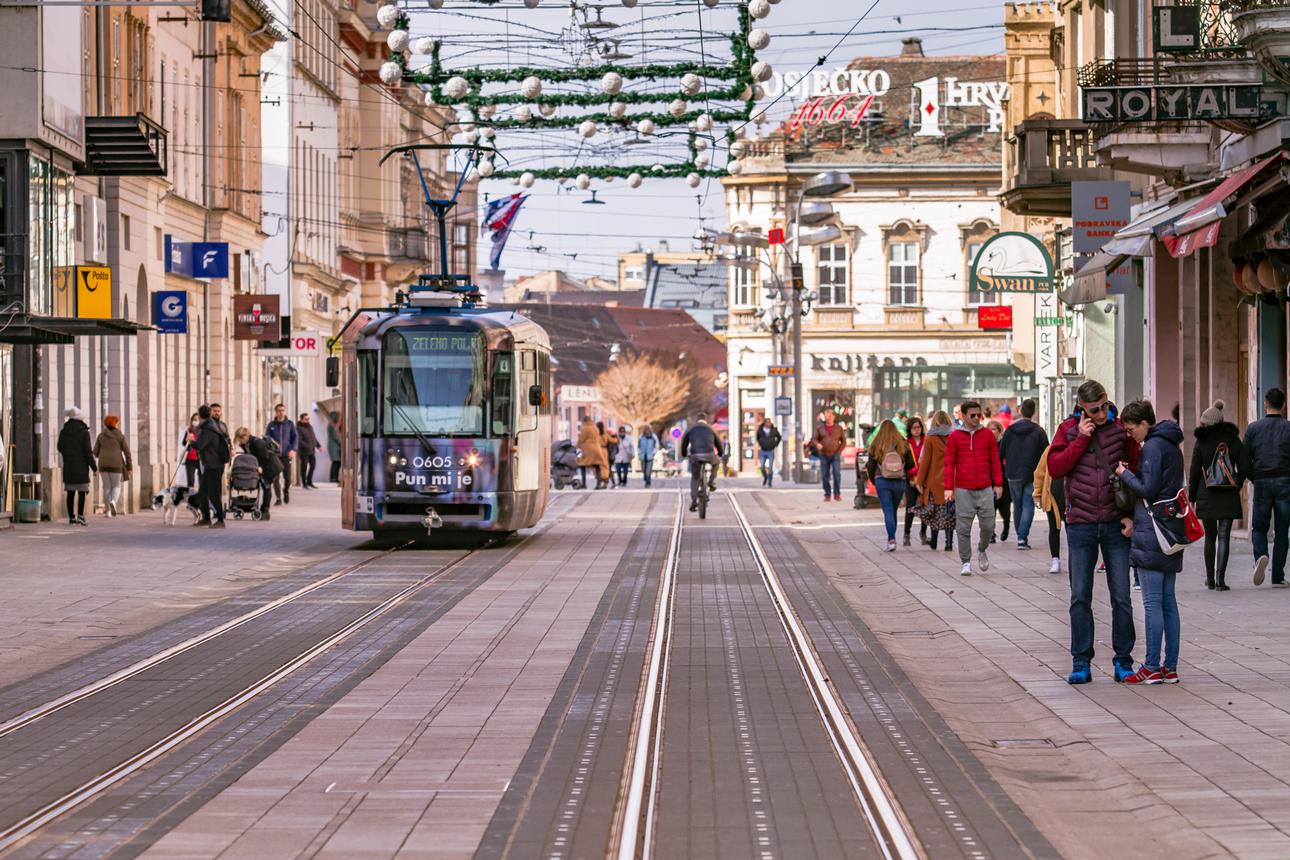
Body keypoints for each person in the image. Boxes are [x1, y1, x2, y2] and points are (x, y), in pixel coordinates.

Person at [1047, 379, 1139, 685]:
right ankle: (1081, 662)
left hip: (1115, 523)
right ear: (1081, 408)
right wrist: (1080, 440)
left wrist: (1130, 516)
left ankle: (1123, 661)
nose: (1100, 414)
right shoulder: (1067, 430)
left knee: (1122, 596)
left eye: (1103, 406)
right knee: (1079, 597)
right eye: (1093, 410)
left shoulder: (1121, 430)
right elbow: (1056, 468)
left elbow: (1135, 473)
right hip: (1081, 524)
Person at [1114, 400, 1185, 685]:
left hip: (1152, 530)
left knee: (1153, 602)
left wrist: (1124, 474)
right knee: (1168, 601)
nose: (1130, 435)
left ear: (1145, 424)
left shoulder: (1153, 446)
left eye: (1131, 429)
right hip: (1170, 528)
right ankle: (1169, 667)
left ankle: (1152, 667)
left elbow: (1148, 489)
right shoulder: (1171, 444)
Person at [1189, 400, 1245, 591]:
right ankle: (1221, 580)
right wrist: (1236, 485)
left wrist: (1193, 496)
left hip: (1207, 492)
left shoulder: (1201, 442)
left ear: (1206, 423)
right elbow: (1245, 467)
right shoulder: (1234, 441)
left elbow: (1195, 471)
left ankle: (1210, 579)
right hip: (1228, 493)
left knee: (1210, 536)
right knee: (1224, 536)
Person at [1240, 387, 1290, 587]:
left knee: (1259, 526)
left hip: (1261, 481)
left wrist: (1253, 476)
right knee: (1282, 530)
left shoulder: (1253, 428)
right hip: (1285, 481)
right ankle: (1277, 576)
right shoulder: (1288, 428)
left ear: (1265, 404)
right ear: (1284, 406)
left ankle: (1261, 555)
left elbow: (1244, 457)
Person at [944, 401, 1001, 575]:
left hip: (985, 487)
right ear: (964, 416)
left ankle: (981, 549)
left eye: (979, 415)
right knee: (963, 528)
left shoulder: (987, 435)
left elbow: (994, 461)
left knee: (989, 525)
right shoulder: (954, 437)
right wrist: (948, 488)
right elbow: (948, 463)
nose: (977, 418)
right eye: (973, 415)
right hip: (963, 488)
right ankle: (966, 562)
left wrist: (998, 484)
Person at [999, 398, 1049, 550]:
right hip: (1032, 472)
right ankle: (1022, 538)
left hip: (1013, 472)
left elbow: (1001, 453)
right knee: (1028, 505)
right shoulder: (1038, 431)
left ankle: (1020, 536)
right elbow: (1046, 453)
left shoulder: (1009, 430)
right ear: (1034, 412)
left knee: (1017, 505)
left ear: (1020, 411)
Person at [866, 420, 917, 552]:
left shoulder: (875, 444)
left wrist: (874, 480)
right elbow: (911, 464)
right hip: (899, 481)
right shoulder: (903, 444)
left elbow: (870, 466)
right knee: (893, 510)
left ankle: (891, 540)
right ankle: (892, 538)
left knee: (888, 510)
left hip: (882, 480)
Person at [917, 411, 954, 553]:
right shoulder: (954, 437)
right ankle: (949, 543)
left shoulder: (930, 438)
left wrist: (920, 481)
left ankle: (934, 541)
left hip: (935, 481)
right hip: (952, 481)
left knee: (934, 512)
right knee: (949, 512)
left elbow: (925, 462)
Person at [193, 404, 230, 528]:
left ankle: (220, 520)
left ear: (199, 416)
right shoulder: (210, 426)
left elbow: (199, 445)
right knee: (203, 493)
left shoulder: (209, 428)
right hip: (211, 464)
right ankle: (206, 518)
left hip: (214, 464)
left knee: (214, 493)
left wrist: (190, 441)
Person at [57, 407, 96, 526]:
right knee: (82, 491)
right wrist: (94, 467)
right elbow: (88, 452)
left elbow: (60, 447)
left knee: (70, 491)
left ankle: (71, 517)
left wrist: (67, 455)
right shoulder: (84, 432)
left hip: (69, 465)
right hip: (81, 465)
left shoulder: (64, 431)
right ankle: (80, 515)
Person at [680, 413, 723, 512]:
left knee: (695, 477)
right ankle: (711, 481)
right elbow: (719, 443)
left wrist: (684, 453)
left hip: (695, 456)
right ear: (706, 420)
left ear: (696, 420)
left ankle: (694, 500)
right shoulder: (711, 428)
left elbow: (684, 442)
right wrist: (720, 453)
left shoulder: (691, 428)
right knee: (716, 462)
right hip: (709, 455)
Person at [1033, 444, 1065, 575]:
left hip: (1071, 496)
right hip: (1051, 494)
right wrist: (1037, 495)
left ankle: (1075, 561)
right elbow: (1039, 473)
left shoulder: (1078, 448)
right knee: (1054, 528)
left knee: (1074, 529)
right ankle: (1055, 560)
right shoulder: (1050, 449)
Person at [93, 415, 133, 517]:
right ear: (116, 423)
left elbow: (95, 452)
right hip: (116, 464)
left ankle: (107, 512)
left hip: (103, 464)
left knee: (106, 487)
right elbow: (127, 453)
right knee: (116, 486)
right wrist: (129, 467)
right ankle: (114, 501)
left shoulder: (101, 436)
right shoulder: (120, 436)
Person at [238, 427, 281, 520]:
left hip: (270, 467)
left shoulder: (257, 443)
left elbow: (264, 457)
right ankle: (263, 509)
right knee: (266, 487)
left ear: (245, 437)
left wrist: (258, 468)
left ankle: (266, 511)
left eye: (240, 438)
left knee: (267, 487)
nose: (238, 441)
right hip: (265, 466)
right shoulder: (249, 443)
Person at [265, 404, 298, 505]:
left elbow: (295, 437)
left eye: (283, 410)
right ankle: (278, 498)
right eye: (279, 410)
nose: (281, 412)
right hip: (275, 456)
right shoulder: (271, 425)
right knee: (276, 478)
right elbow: (267, 438)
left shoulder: (289, 424)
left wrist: (293, 450)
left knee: (287, 478)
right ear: (276, 412)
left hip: (286, 455)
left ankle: (286, 491)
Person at [812, 409, 847, 502]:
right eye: (826, 416)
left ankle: (837, 493)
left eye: (829, 416)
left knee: (836, 473)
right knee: (825, 475)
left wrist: (839, 451)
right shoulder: (820, 428)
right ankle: (827, 494)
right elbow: (814, 439)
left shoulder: (838, 428)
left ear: (834, 417)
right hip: (823, 454)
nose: (827, 418)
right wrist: (817, 444)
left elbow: (844, 441)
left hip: (835, 454)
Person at [902, 416, 927, 546]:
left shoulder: (927, 441)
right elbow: (904, 462)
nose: (917, 430)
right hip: (911, 480)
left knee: (925, 506)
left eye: (918, 427)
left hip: (925, 480)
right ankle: (907, 533)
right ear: (909, 429)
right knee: (910, 507)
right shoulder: (906, 444)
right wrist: (914, 473)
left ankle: (923, 532)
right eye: (914, 428)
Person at [987, 421, 1011, 544]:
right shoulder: (985, 444)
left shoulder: (1003, 444)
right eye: (990, 429)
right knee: (991, 509)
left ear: (999, 430)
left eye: (994, 429)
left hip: (1003, 479)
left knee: (1005, 508)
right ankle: (991, 533)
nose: (992, 431)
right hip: (989, 480)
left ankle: (1006, 529)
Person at [576, 416, 608, 490]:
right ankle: (598, 485)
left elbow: (581, 438)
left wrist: (577, 445)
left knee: (582, 464)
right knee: (597, 466)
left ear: (584, 421)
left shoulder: (585, 428)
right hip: (597, 447)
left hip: (588, 447)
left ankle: (584, 484)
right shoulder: (595, 428)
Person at [297, 413, 321, 489]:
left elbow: (313, 437)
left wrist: (318, 445)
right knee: (304, 467)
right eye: (306, 419)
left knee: (313, 465)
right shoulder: (299, 428)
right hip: (304, 452)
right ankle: (304, 483)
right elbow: (299, 440)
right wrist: (307, 446)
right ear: (301, 420)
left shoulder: (309, 427)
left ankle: (309, 481)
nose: (307, 420)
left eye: (308, 419)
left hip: (311, 451)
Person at [755, 417, 781, 487]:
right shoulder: (760, 430)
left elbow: (779, 437)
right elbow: (757, 437)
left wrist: (775, 444)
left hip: (771, 450)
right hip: (763, 450)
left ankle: (770, 481)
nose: (769, 423)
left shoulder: (773, 430)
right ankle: (765, 477)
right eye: (768, 422)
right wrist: (761, 443)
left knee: (770, 467)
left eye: (770, 422)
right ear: (765, 423)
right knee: (762, 466)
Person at [179, 413, 201, 489]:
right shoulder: (189, 431)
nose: (196, 421)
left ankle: (201, 497)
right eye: (194, 420)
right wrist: (187, 439)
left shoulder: (202, 431)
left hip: (199, 458)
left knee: (201, 479)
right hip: (190, 458)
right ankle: (191, 497)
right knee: (190, 481)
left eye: (197, 420)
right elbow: (183, 443)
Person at [327, 411, 343, 484]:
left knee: (336, 462)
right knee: (336, 462)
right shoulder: (332, 425)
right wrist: (342, 443)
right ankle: (334, 478)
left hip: (333, 446)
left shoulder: (330, 425)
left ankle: (333, 477)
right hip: (334, 447)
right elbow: (336, 436)